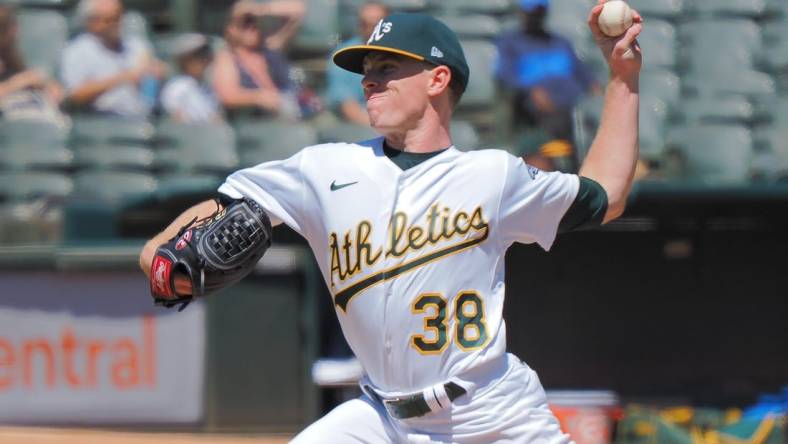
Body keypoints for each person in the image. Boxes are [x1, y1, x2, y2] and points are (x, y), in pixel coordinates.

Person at [140, 4, 642, 442]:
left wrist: (622, 79)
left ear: (437, 79)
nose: (370, 80)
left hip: (490, 414)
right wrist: (159, 252)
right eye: (366, 70)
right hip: (381, 418)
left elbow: (608, 195)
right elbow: (227, 205)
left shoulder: (494, 175)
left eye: (388, 67)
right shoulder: (324, 168)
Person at [496, 0, 601, 172]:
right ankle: (557, 163)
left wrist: (594, 86)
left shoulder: (560, 42)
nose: (535, 17)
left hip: (571, 107)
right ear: (522, 13)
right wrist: (530, 90)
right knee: (556, 125)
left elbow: (584, 74)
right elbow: (505, 76)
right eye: (531, 13)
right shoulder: (511, 43)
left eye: (539, 12)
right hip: (533, 113)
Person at [60, 0, 166, 118]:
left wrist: (157, 75)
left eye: (118, 18)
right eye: (109, 20)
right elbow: (75, 96)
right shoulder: (77, 51)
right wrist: (125, 77)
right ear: (92, 22)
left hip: (140, 121)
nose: (116, 25)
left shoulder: (136, 47)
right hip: (98, 122)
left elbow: (149, 89)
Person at [212, 0, 305, 119]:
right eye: (244, 23)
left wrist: (260, 9)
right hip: (252, 123)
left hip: (290, 115)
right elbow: (227, 95)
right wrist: (258, 97)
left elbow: (298, 11)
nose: (251, 27)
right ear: (231, 29)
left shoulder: (270, 49)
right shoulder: (227, 57)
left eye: (253, 21)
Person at [325, 1, 389, 125]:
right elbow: (348, 107)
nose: (371, 29)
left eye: (376, 25)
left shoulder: (404, 54)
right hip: (362, 125)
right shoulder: (343, 55)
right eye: (365, 24)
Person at [0, 5, 66, 124]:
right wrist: (17, 83)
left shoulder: (11, 58)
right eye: (3, 28)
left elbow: (58, 93)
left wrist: (46, 85)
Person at [160, 33, 223, 124]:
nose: (205, 59)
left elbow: (216, 120)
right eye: (199, 55)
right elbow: (176, 121)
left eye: (207, 53)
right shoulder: (176, 87)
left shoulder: (208, 87)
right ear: (183, 59)